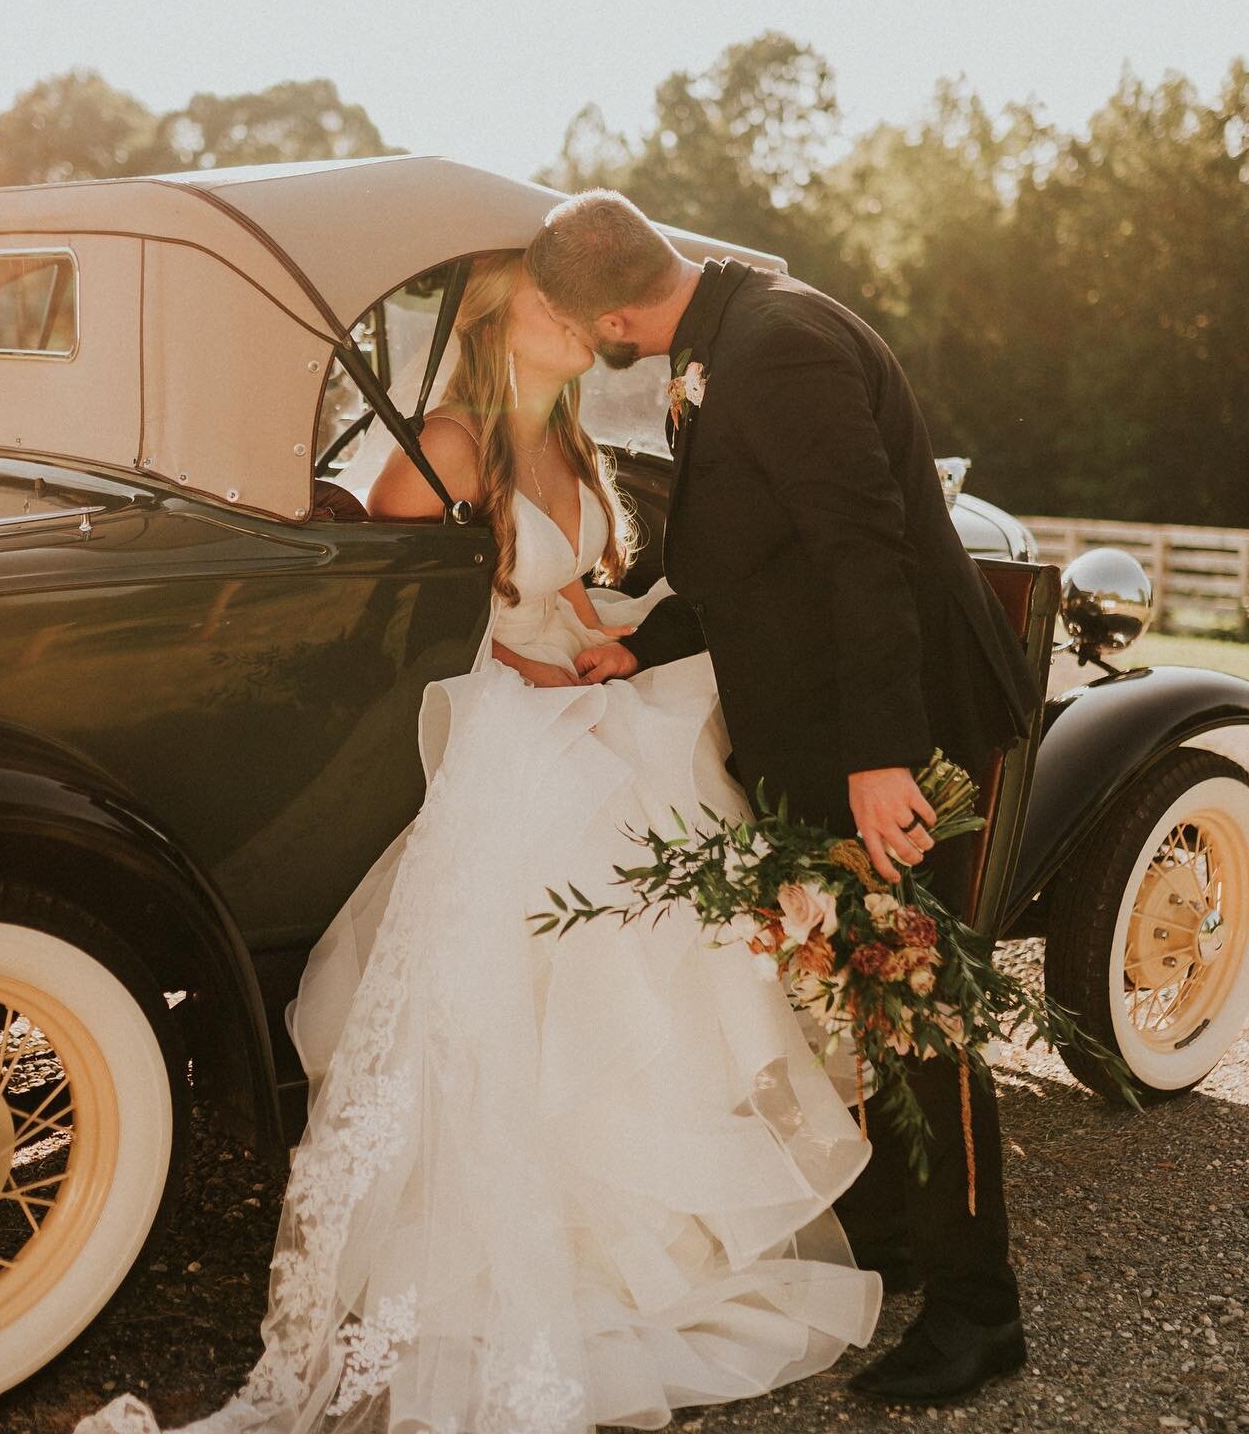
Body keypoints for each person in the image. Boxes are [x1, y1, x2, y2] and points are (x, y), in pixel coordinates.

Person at [75, 251, 882, 1434]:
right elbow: (382, 606)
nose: (582, 319)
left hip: (583, 692)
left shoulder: (571, 444)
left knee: (668, 875)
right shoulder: (449, 443)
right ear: (503, 320)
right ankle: (513, 1246)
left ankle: (650, 1232)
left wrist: (626, 635)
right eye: (553, 301)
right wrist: (504, 653)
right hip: (508, 720)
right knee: (565, 925)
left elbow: (578, 598)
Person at [525, 190, 1043, 1406]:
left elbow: (865, 552)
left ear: (606, 312)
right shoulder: (725, 335)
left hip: (895, 737)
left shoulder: (782, 345)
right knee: (866, 1000)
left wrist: (879, 759)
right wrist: (638, 651)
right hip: (827, 729)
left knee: (925, 1008)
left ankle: (982, 1311)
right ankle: (914, 1236)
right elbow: (755, 554)